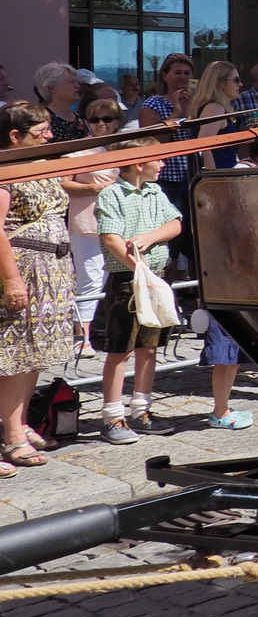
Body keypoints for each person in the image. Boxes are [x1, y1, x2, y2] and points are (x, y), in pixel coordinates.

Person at [0, 103, 79, 473]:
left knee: (34, 354)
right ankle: (12, 435)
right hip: (25, 270)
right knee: (13, 355)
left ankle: (20, 424)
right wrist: (12, 279)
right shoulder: (6, 171)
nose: (50, 136)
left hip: (53, 272)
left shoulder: (45, 165)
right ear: (15, 137)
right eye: (41, 131)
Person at [93, 137, 183, 443]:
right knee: (120, 348)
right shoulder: (111, 194)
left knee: (149, 346)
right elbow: (111, 238)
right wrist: (138, 268)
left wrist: (151, 236)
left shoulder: (155, 191)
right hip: (127, 282)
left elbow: (175, 224)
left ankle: (141, 408)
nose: (164, 163)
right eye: (158, 159)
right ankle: (112, 415)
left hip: (155, 279)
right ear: (139, 164)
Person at [61, 97, 124, 356]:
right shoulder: (77, 151)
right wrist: (93, 188)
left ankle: (101, 332)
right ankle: (81, 337)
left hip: (118, 224)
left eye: (107, 119)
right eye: (94, 119)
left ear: (117, 122)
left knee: (109, 280)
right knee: (90, 280)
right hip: (86, 224)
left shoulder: (124, 149)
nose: (101, 124)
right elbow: (63, 183)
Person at [136, 53, 197, 264]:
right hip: (166, 178)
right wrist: (178, 114)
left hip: (194, 175)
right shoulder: (153, 103)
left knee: (194, 237)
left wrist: (192, 110)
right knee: (171, 242)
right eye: (177, 72)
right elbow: (151, 139)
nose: (182, 77)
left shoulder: (199, 102)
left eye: (186, 73)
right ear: (165, 76)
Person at [188, 60, 245, 171]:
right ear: (220, 83)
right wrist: (211, 180)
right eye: (236, 80)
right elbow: (203, 146)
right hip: (212, 180)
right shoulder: (214, 108)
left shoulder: (218, 107)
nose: (241, 84)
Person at [33, 62, 91, 142]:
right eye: (71, 82)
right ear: (51, 89)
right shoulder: (42, 121)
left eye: (76, 81)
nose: (77, 86)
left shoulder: (80, 119)